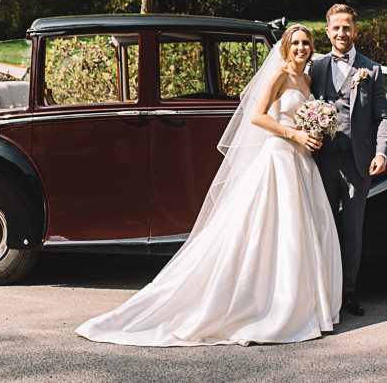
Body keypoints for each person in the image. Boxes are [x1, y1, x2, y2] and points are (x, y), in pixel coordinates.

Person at [75, 25, 342, 347]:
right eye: (295, 43)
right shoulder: (280, 76)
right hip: (279, 156)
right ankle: (264, 302)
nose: (301, 48)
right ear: (286, 47)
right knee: (273, 229)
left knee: (302, 230)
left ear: (312, 47)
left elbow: (302, 117)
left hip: (301, 160)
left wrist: (311, 132)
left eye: (306, 43)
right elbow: (257, 116)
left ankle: (304, 302)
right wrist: (295, 134)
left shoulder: (307, 79)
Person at [310, 4, 387, 316]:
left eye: (347, 28)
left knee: (352, 229)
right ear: (327, 31)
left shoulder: (372, 69)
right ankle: (323, 293)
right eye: (336, 28)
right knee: (322, 225)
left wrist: (381, 151)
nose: (342, 33)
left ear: (355, 31)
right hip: (321, 159)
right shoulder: (315, 68)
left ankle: (349, 293)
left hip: (359, 162)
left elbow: (383, 117)